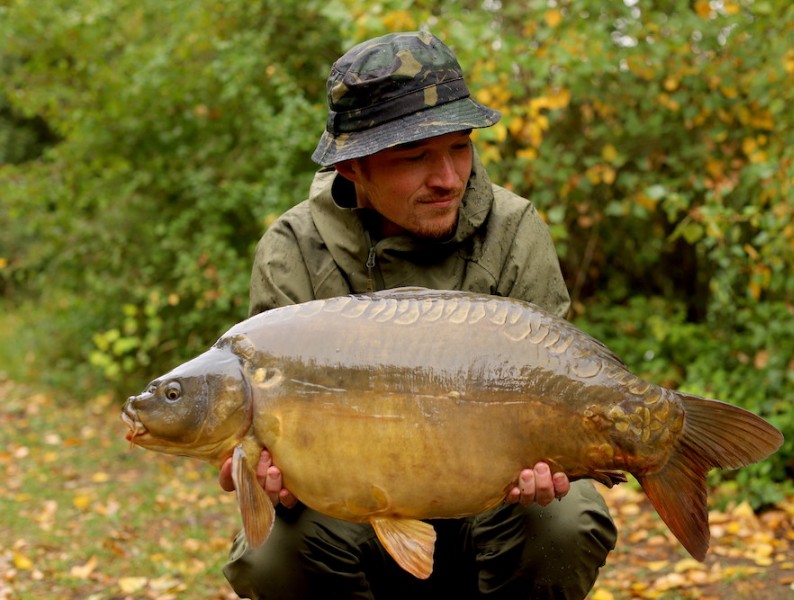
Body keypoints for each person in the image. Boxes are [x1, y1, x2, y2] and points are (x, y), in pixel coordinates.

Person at [219, 31, 617, 599]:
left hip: (494, 492)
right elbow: (265, 435)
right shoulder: (294, 248)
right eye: (415, 158)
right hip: (352, 502)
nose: (448, 179)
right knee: (271, 556)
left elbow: (555, 393)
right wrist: (263, 472)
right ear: (354, 168)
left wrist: (553, 459)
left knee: (565, 521)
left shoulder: (514, 230)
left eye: (460, 147)